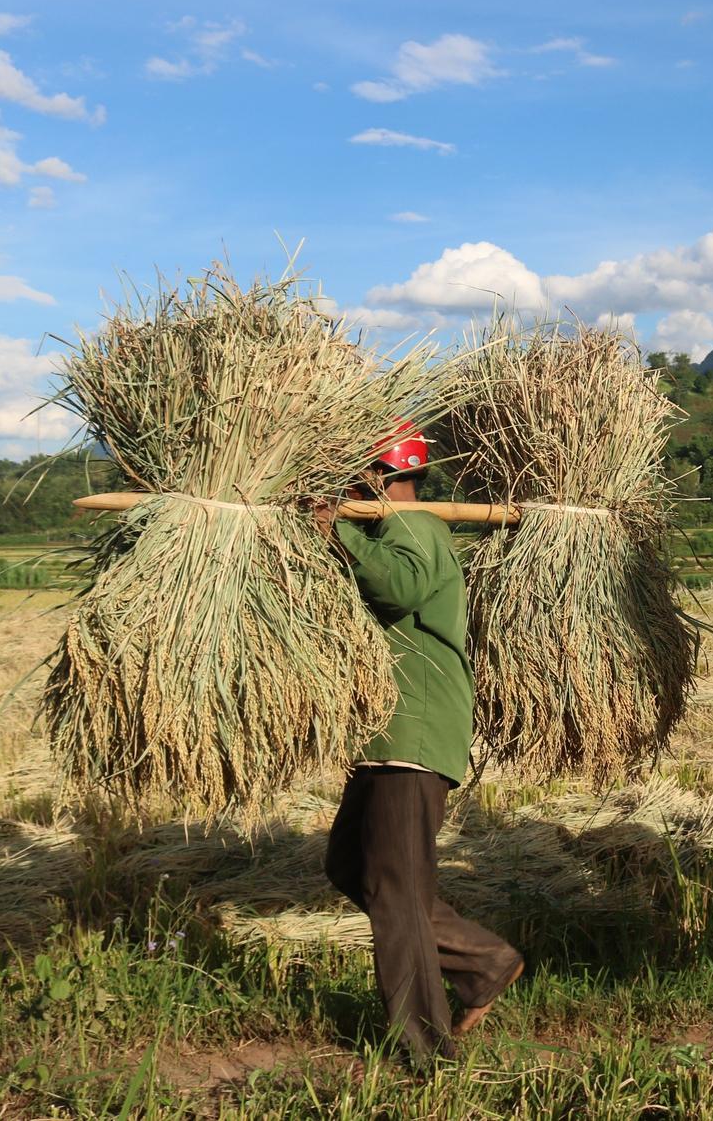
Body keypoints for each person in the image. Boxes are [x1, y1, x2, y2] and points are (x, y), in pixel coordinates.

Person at [314, 422, 523, 1068]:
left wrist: (337, 530)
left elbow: (398, 586)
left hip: (414, 732)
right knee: (352, 865)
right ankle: (484, 961)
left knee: (396, 892)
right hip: (387, 734)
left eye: (354, 476)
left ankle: (425, 1048)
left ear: (378, 475)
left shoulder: (416, 527)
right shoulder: (389, 532)